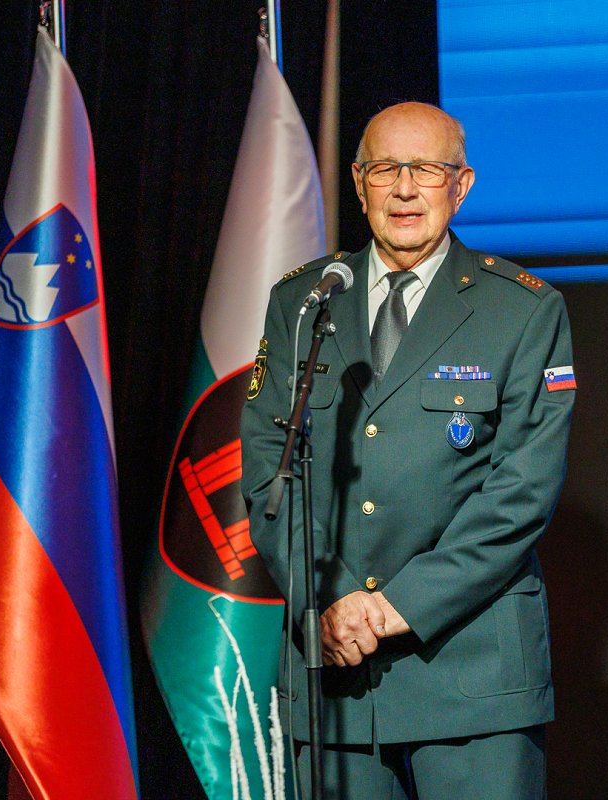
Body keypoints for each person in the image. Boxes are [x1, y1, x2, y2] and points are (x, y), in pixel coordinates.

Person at [240, 101, 575, 798]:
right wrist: (329, 600)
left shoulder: (523, 309)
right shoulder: (305, 302)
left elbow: (522, 491)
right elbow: (270, 468)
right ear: (358, 182)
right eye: (385, 169)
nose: (403, 190)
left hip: (471, 678)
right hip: (336, 674)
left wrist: (395, 607)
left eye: (426, 170)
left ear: (461, 185)